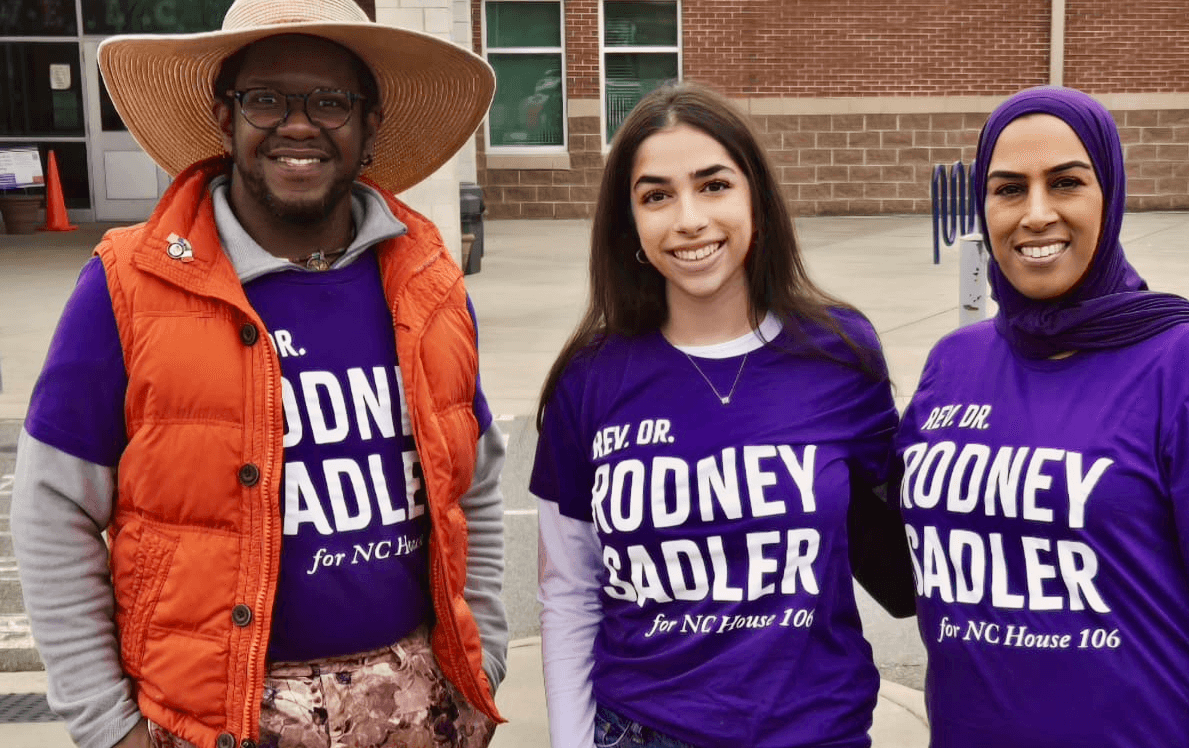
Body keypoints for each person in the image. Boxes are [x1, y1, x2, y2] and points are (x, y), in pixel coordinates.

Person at [10, 1, 508, 747]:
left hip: (415, 705)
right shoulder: (127, 287)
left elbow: (474, 486)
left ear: (369, 126)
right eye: (267, 99)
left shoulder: (426, 283)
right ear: (225, 117)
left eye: (331, 101)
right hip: (219, 719)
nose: (298, 126)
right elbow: (53, 514)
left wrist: (484, 664)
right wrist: (108, 728)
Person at [891, 86, 1189, 748]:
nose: (1036, 213)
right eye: (1008, 189)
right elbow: (914, 573)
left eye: (1065, 183)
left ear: (1108, 194)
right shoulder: (953, 363)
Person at [531, 82, 915, 748]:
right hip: (643, 731)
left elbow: (907, 547)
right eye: (656, 195)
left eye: (712, 186)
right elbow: (568, 594)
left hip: (814, 730)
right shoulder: (587, 379)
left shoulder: (841, 352)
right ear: (630, 226)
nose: (687, 219)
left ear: (755, 201)